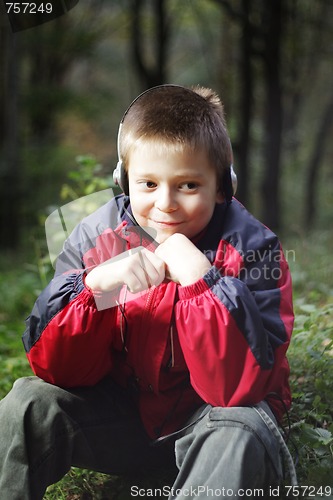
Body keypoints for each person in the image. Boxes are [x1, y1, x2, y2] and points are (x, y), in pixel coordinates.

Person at [0, 84, 295, 499]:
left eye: (189, 185)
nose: (166, 204)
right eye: (149, 184)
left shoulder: (254, 248)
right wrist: (93, 288)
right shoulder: (97, 237)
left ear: (222, 185)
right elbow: (58, 370)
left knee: (241, 427)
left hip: (210, 431)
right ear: (124, 181)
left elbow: (236, 389)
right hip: (125, 422)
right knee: (27, 401)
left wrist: (202, 281)